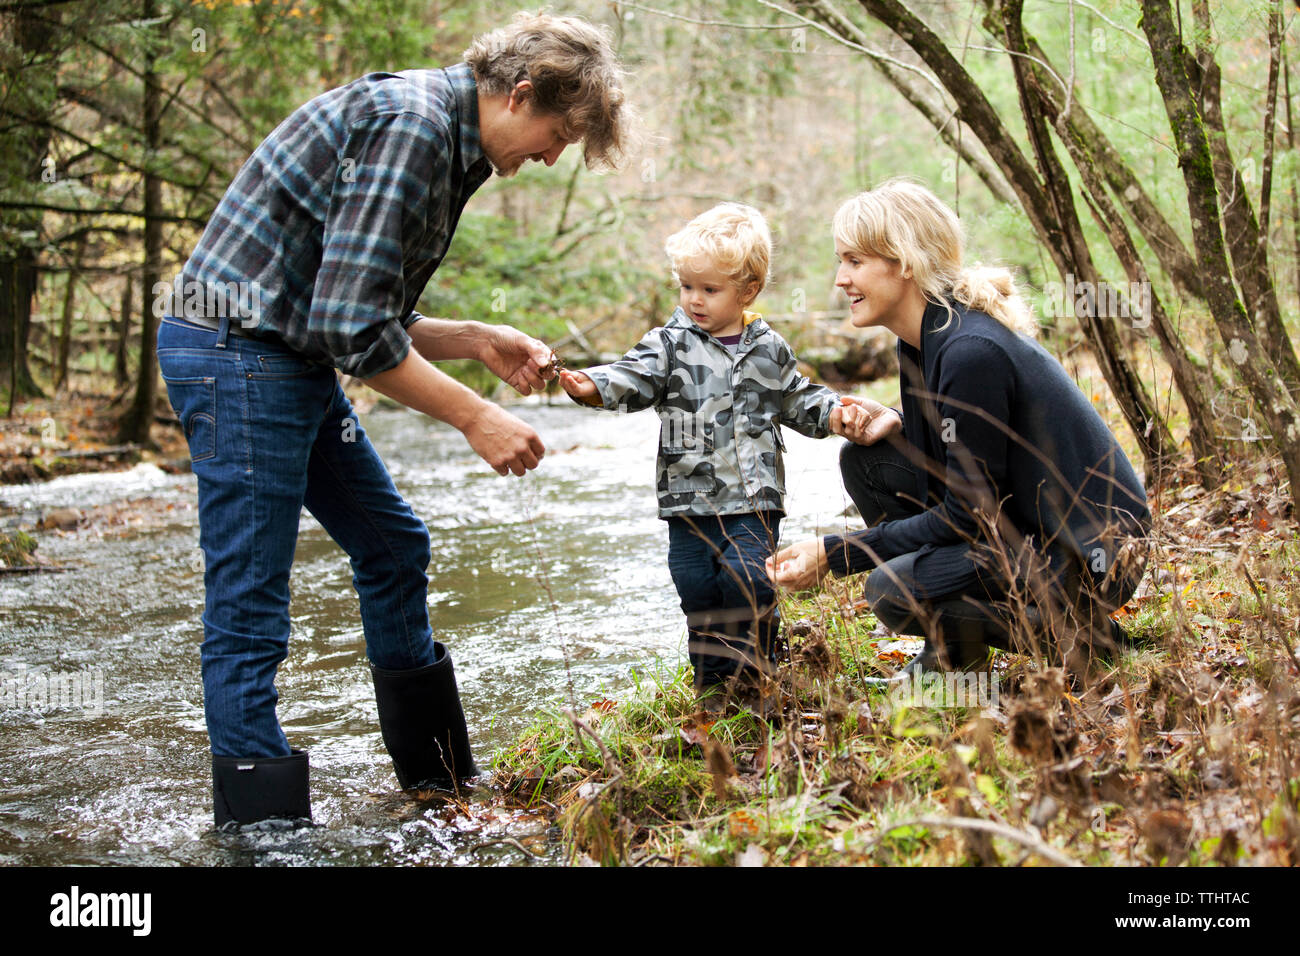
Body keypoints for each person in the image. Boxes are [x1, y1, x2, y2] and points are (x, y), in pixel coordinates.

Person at [157, 12, 631, 826]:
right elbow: (350, 331)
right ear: (520, 95)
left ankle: (438, 786)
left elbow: (355, 309)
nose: (553, 158)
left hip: (284, 350)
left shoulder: (450, 140)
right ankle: (265, 837)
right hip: (235, 353)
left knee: (392, 545)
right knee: (251, 603)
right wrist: (475, 417)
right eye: (558, 136)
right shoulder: (410, 127)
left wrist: (474, 339)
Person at [767, 179, 1150, 679]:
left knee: (890, 589)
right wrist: (903, 427)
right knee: (869, 462)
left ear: (903, 263)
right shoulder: (921, 341)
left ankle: (1084, 638)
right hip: (1026, 527)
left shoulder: (970, 351)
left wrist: (834, 553)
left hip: (1090, 555)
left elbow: (967, 516)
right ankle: (954, 660)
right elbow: (962, 473)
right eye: (842, 261)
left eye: (855, 261)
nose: (841, 279)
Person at [559, 203, 872, 710]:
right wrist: (592, 385)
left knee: (747, 580)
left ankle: (759, 675)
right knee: (697, 587)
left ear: (747, 291)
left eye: (709, 290)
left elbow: (797, 398)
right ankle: (712, 685)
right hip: (687, 499)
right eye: (686, 287)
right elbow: (631, 377)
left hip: (753, 499)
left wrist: (835, 414)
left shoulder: (768, 348)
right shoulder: (668, 344)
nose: (694, 300)